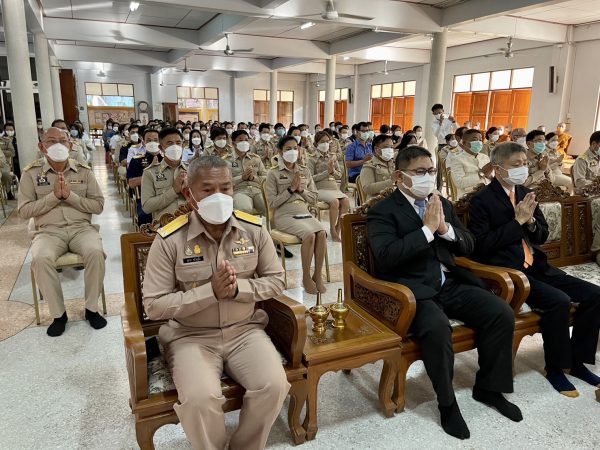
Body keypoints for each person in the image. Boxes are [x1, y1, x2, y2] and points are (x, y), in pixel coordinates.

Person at [368, 145, 521, 440]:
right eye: (419, 172)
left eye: (431, 171)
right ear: (400, 176)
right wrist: (425, 230)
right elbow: (386, 256)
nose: (427, 177)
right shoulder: (383, 211)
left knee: (500, 312)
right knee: (437, 328)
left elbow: (468, 244)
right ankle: (447, 403)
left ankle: (489, 387)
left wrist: (444, 230)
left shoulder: (441, 203)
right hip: (410, 291)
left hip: (448, 283)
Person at [142, 155, 289, 450]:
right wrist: (210, 291)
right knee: (200, 399)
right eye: (208, 190)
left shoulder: (254, 230)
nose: (219, 196)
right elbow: (154, 305)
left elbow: (277, 280)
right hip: (191, 336)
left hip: (244, 331)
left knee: (273, 385)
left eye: (226, 188)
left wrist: (238, 290)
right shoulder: (170, 239)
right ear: (189, 194)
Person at [468, 142, 600, 398]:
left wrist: (529, 223)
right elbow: (482, 246)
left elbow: (541, 235)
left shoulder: (526, 192)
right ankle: (555, 368)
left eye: (525, 164)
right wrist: (516, 221)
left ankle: (576, 361)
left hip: (537, 266)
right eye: (516, 165)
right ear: (498, 169)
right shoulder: (481, 201)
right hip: (508, 273)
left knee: (595, 295)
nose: (522, 169)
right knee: (558, 302)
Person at [18, 127, 106, 337]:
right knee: (40, 259)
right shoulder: (31, 173)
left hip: (81, 229)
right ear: (41, 147)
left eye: (62, 140)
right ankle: (59, 315)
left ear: (70, 145)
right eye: (50, 141)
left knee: (96, 253)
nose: (57, 145)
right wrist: (53, 198)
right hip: (49, 232)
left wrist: (71, 197)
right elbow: (23, 210)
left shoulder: (84, 171)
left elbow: (98, 206)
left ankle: (91, 309)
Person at [265, 136, 327, 294]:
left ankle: (317, 275)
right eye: (288, 149)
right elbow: (271, 203)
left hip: (303, 212)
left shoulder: (304, 171)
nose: (292, 151)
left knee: (321, 233)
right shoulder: (273, 173)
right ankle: (306, 276)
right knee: (310, 235)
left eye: (295, 148)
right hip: (284, 214)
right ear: (280, 151)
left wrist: (301, 190)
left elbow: (314, 197)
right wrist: (290, 190)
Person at [307, 131, 349, 241]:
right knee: (335, 201)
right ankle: (332, 230)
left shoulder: (333, 156)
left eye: (327, 141)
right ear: (316, 144)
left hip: (334, 187)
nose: (325, 144)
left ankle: (338, 228)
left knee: (345, 201)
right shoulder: (312, 158)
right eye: (322, 142)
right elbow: (310, 178)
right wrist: (327, 172)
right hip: (319, 188)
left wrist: (333, 171)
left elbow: (339, 175)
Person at [141, 127, 188, 220]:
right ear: (161, 148)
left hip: (190, 222)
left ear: (182, 146)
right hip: (164, 226)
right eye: (170, 143)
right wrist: (173, 191)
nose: (175, 147)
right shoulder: (150, 172)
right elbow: (147, 207)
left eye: (178, 143)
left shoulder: (192, 169)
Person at [227, 130, 267, 215]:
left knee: (268, 207)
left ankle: (265, 228)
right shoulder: (227, 160)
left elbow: (265, 178)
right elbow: (225, 182)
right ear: (234, 143)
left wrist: (253, 178)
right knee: (244, 209)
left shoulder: (255, 158)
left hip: (257, 189)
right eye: (240, 140)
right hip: (239, 190)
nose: (244, 142)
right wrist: (242, 178)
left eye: (246, 140)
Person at [127, 128, 162, 226]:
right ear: (143, 142)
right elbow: (131, 183)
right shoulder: (137, 160)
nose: (153, 143)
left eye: (155, 140)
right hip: (145, 199)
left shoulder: (166, 159)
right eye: (149, 140)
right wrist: (151, 174)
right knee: (145, 217)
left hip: (165, 197)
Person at [449, 128, 493, 199]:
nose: (478, 142)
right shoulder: (457, 159)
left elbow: (492, 178)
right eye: (474, 140)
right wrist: (481, 174)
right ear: (464, 143)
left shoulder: (485, 157)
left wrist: (490, 176)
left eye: (480, 140)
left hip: (487, 193)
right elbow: (459, 183)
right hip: (468, 196)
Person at [360, 134, 396, 201]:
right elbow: (367, 188)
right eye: (386, 147)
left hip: (395, 199)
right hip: (378, 202)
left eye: (391, 147)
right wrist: (391, 181)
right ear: (376, 149)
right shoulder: (369, 165)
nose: (390, 150)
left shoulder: (394, 163)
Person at [0, 122, 16, 199]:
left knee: (6, 174)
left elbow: (12, 153)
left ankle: (8, 191)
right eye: (7, 129)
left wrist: (1, 152)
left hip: (3, 163)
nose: (9, 131)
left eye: (11, 129)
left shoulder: (5, 140)